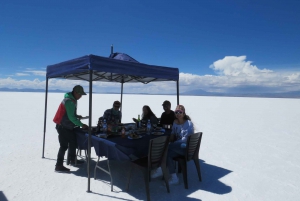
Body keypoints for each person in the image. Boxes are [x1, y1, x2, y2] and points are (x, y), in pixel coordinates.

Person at [151, 104, 194, 185]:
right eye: (176, 112)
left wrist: (173, 143)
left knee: (166, 148)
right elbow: (173, 132)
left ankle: (160, 168)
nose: (178, 114)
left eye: (180, 112)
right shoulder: (175, 122)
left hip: (186, 148)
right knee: (167, 154)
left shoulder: (188, 123)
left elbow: (185, 139)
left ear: (184, 113)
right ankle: (174, 177)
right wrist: (171, 137)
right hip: (177, 147)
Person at [53, 85, 88, 172]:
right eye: (79, 94)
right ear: (75, 92)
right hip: (63, 126)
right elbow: (71, 118)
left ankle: (72, 159)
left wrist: (76, 116)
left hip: (67, 126)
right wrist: (82, 124)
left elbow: (70, 114)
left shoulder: (72, 100)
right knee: (63, 146)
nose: (80, 96)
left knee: (73, 142)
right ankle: (59, 165)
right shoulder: (69, 101)